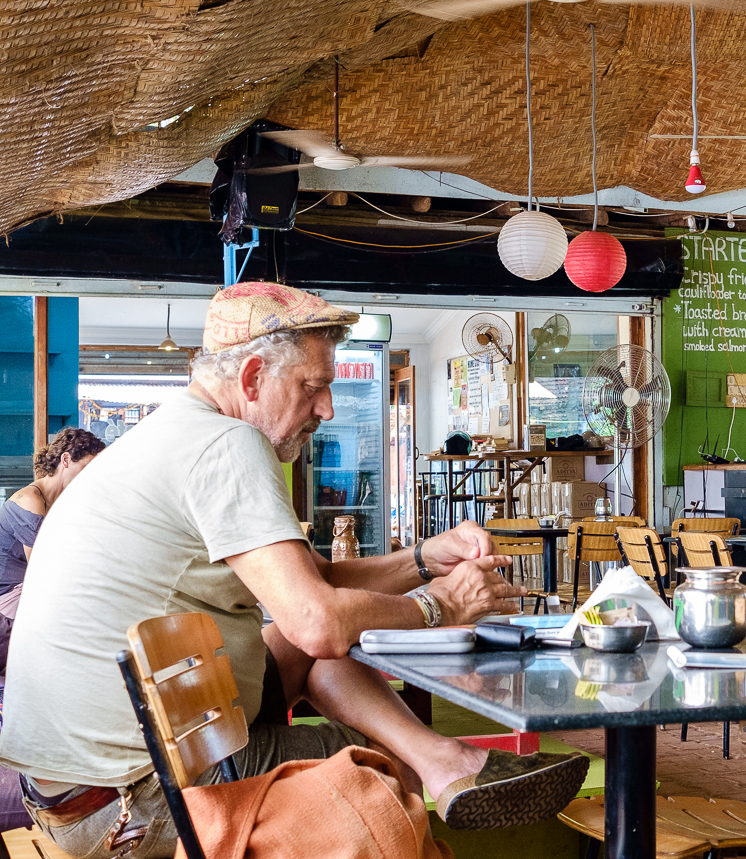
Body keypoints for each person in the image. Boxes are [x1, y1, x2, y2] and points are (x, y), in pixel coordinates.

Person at [0, 282, 588, 859]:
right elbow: (318, 621)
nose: (327, 408)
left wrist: (422, 559)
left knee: (312, 648)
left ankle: (447, 762)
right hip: (135, 801)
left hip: (73, 789)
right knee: (373, 764)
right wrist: (442, 605)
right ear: (252, 377)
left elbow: (315, 585)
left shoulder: (172, 432)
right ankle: (438, 764)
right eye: (313, 386)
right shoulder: (226, 443)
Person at [0, 429, 105, 675]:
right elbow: (43, 574)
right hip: (7, 614)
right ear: (66, 460)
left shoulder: (60, 504)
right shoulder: (29, 500)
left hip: (24, 605)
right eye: (87, 468)